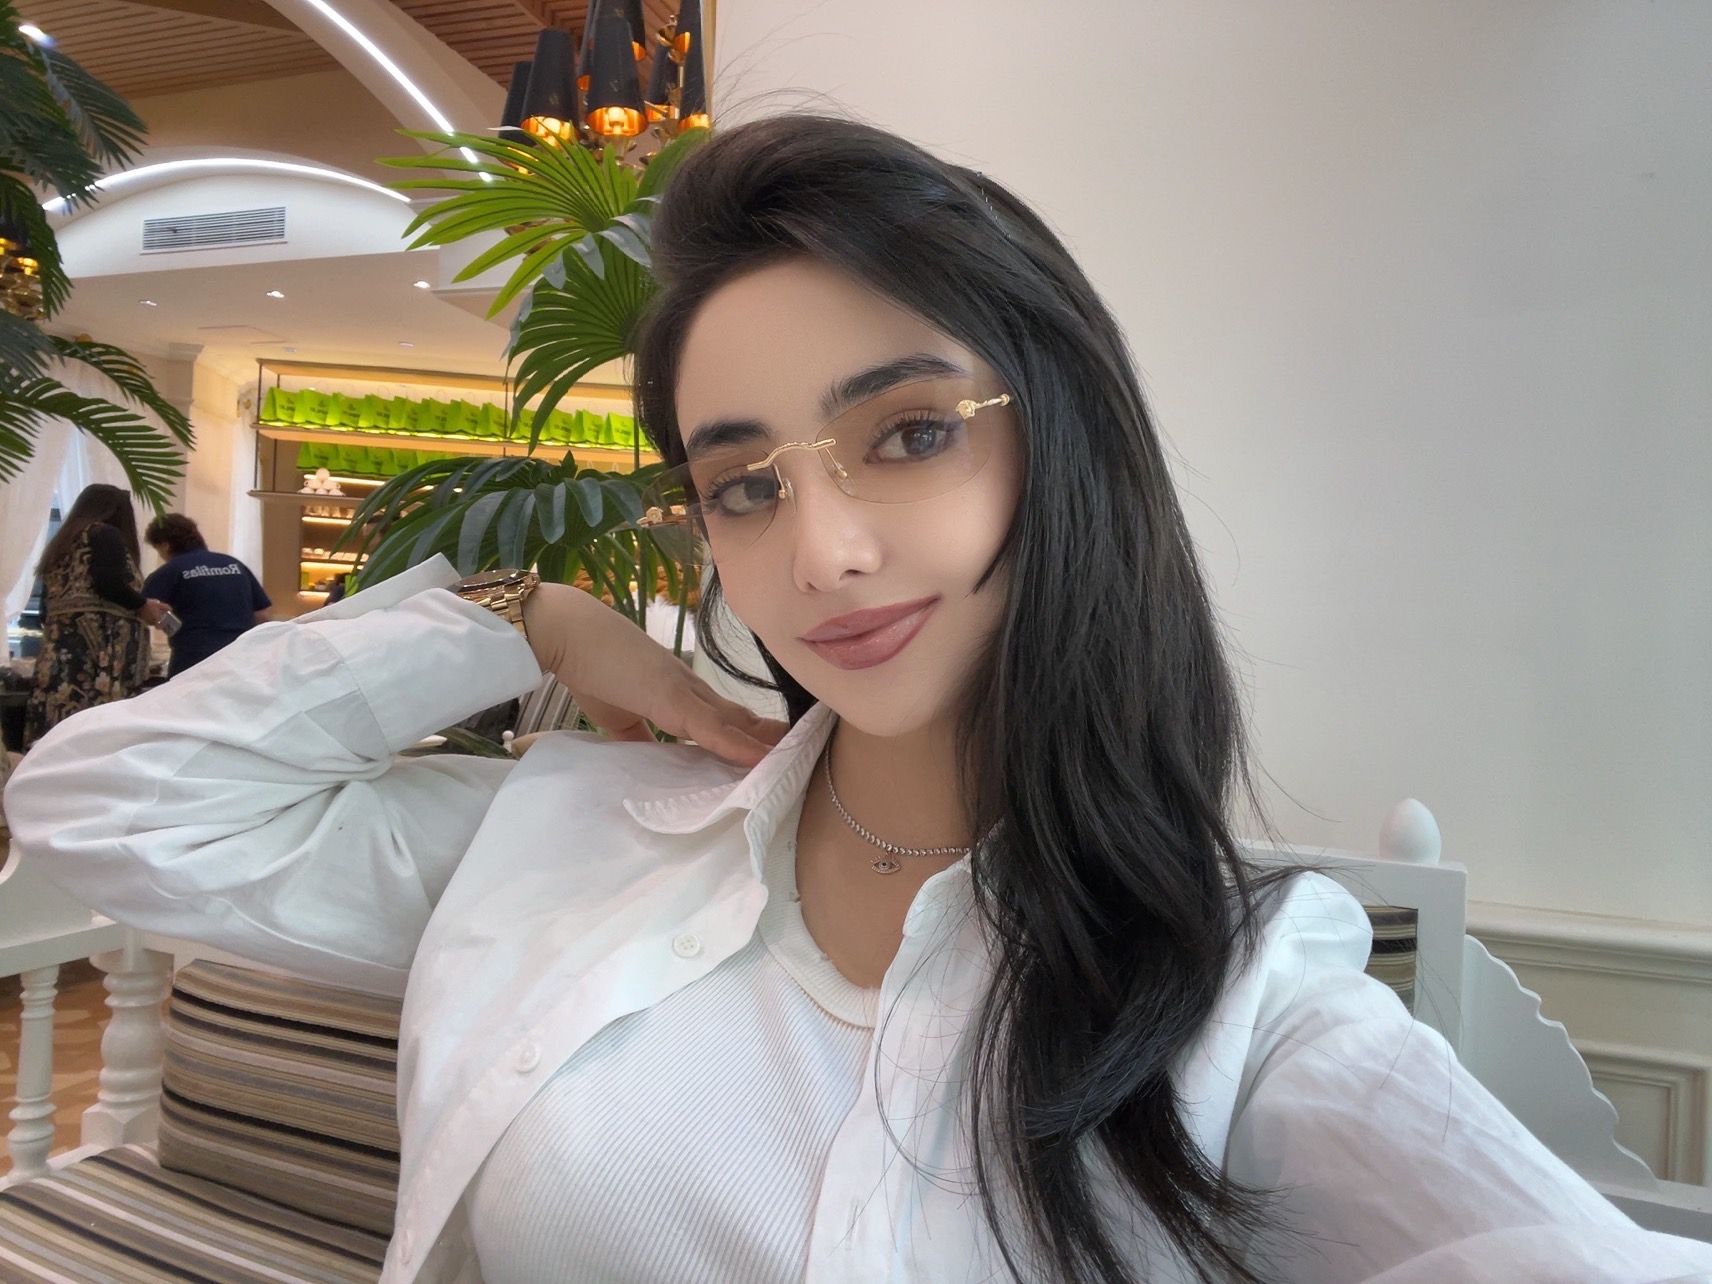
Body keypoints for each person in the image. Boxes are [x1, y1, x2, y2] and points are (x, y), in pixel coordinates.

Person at [6, 117, 1710, 1284]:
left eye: (909, 433)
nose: (820, 551)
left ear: (1062, 438)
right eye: (743, 483)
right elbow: (105, 805)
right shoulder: (571, 843)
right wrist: (522, 618)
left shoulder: (1235, 993)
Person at [21, 483, 165, 748]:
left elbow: (45, 607)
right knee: (95, 721)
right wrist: (142, 604)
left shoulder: (62, 543)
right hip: (100, 648)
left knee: (60, 717)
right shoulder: (104, 534)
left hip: (59, 647)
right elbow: (109, 583)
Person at [141, 512, 272, 677]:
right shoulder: (235, 565)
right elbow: (263, 615)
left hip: (194, 660)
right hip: (240, 658)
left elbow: (145, 612)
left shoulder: (169, 572)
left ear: (165, 545)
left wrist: (169, 625)